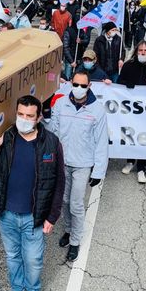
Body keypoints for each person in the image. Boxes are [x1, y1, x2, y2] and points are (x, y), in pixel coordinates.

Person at [0, 95, 65, 291]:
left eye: (29, 116)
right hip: (7, 214)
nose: (24, 119)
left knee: (33, 260)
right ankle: (17, 288)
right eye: (20, 114)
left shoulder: (51, 142)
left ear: (39, 117)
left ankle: (33, 290)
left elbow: (59, 181)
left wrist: (52, 216)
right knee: (12, 255)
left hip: (35, 216)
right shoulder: (6, 138)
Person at [50, 71, 109, 262]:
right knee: (64, 201)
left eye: (83, 86)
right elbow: (53, 131)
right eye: (76, 84)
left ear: (89, 86)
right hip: (63, 162)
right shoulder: (61, 104)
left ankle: (75, 241)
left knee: (76, 204)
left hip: (82, 165)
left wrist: (99, 171)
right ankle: (68, 230)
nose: (79, 88)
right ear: (71, 83)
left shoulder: (97, 110)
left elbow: (101, 142)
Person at [118, 41, 146, 183]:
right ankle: (130, 161)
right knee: (131, 134)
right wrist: (125, 83)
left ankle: (142, 167)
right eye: (140, 50)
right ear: (136, 52)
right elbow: (119, 81)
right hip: (131, 108)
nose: (142, 53)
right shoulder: (129, 65)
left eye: (145, 51)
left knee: (144, 136)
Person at [62, 13, 90, 80]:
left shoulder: (81, 31)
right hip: (70, 60)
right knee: (67, 78)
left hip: (79, 59)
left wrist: (81, 41)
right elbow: (65, 47)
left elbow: (87, 41)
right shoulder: (68, 31)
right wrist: (71, 61)